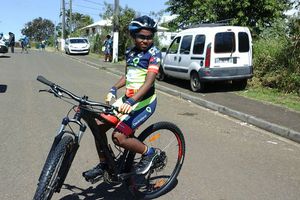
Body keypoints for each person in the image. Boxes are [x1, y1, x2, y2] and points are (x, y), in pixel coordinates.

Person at [83, 15, 162, 181]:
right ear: (133, 36)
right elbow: (127, 76)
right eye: (142, 37)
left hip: (144, 102)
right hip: (127, 99)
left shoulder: (154, 53)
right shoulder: (130, 52)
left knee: (118, 137)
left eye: (149, 37)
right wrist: (114, 88)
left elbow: (148, 82)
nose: (146, 41)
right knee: (98, 127)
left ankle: (150, 153)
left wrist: (132, 102)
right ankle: (104, 164)